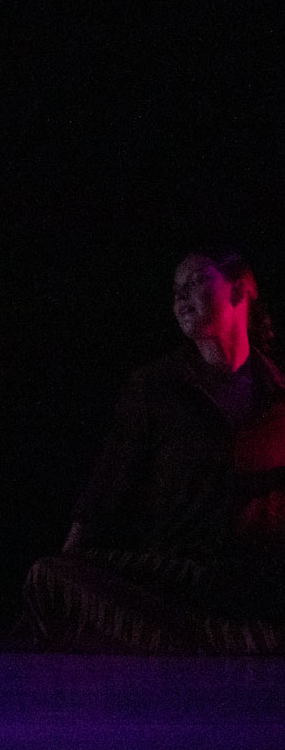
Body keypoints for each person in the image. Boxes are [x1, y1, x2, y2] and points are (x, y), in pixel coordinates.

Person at [18, 251, 285, 653]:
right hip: (179, 576)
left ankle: (220, 638)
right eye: (176, 290)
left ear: (239, 290)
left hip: (258, 579)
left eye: (195, 280)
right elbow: (106, 489)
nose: (180, 297)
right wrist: (71, 568)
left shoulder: (277, 394)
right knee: (50, 578)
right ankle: (232, 639)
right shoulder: (155, 388)